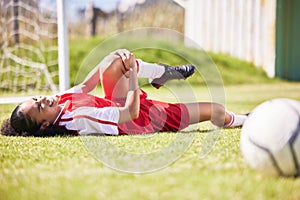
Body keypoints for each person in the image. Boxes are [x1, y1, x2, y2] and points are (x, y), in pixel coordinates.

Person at [1, 49, 247, 136]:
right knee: (216, 111)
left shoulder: (59, 101)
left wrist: (112, 60)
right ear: (45, 125)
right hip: (144, 120)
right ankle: (246, 120)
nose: (43, 99)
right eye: (40, 107)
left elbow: (86, 86)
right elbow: (130, 113)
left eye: (36, 99)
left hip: (119, 102)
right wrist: (131, 77)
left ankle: (160, 73)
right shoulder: (78, 118)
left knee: (116, 57)